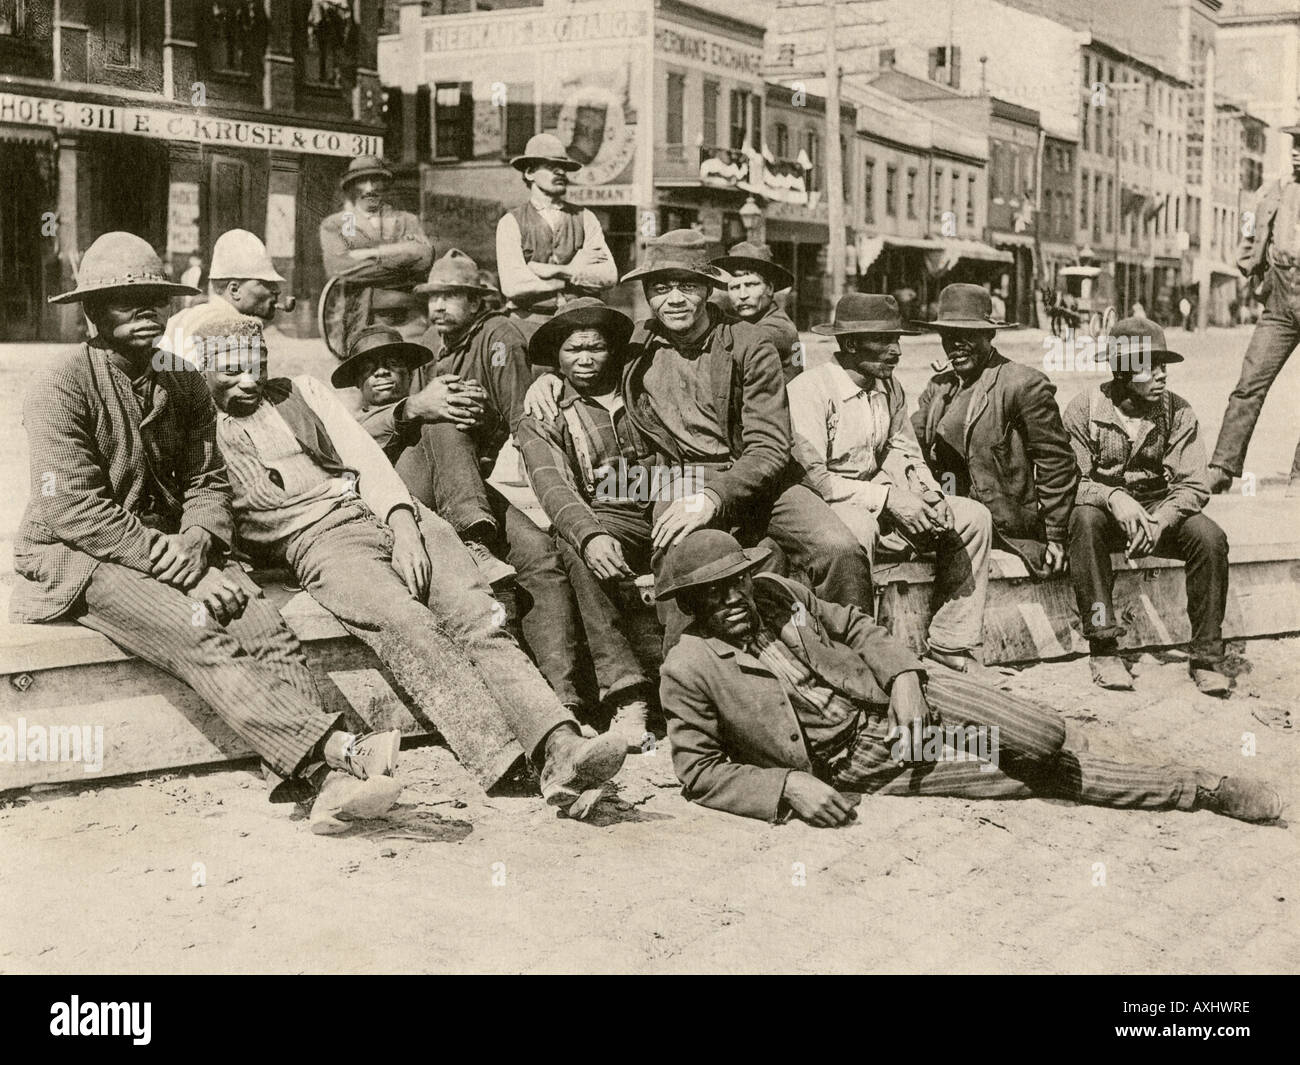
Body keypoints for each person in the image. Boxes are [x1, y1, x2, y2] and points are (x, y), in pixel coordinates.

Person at [11, 231, 403, 835]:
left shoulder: (183, 379)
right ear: (90, 312)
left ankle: (314, 781)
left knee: (262, 624)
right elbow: (70, 509)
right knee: (193, 630)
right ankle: (334, 763)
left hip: (172, 546)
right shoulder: (60, 386)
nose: (145, 312)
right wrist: (187, 570)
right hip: (81, 554)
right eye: (124, 300)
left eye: (154, 299)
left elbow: (209, 481)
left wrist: (198, 541)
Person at [198, 310, 627, 817]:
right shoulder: (197, 427)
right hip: (316, 542)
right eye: (231, 372)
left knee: (478, 617)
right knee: (410, 625)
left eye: (257, 365)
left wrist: (403, 523)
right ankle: (509, 762)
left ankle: (561, 745)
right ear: (201, 369)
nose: (249, 381)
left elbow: (365, 456)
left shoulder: (301, 391)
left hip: (386, 509)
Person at [655, 530, 1281, 827]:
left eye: (734, 580)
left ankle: (1085, 740)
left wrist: (902, 675)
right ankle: (1200, 787)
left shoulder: (776, 591)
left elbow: (858, 629)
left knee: (1042, 733)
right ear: (692, 604)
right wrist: (788, 785)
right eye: (712, 594)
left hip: (908, 691)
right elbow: (701, 772)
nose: (732, 598)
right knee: (1025, 773)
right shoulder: (687, 668)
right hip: (865, 754)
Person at [620, 230, 872, 649]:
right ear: (648, 295)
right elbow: (576, 353)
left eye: (688, 285)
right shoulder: (636, 345)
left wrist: (716, 497)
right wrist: (551, 385)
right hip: (683, 476)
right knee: (674, 545)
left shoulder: (749, 344)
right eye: (661, 288)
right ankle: (685, 674)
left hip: (758, 472)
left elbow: (770, 446)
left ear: (708, 289)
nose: (675, 299)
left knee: (840, 548)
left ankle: (853, 659)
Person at [394, 248, 592, 719]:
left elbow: (521, 417)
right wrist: (428, 405)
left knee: (539, 555)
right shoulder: (425, 345)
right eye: (433, 297)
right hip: (417, 486)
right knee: (443, 420)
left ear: (477, 301)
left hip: (473, 487)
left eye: (452, 296)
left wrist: (550, 490)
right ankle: (473, 538)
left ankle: (563, 699)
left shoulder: (498, 336)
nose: (439, 306)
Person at [790, 294, 992, 671]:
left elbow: (902, 450)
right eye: (884, 341)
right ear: (850, 343)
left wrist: (927, 492)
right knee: (856, 531)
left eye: (897, 340)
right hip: (829, 505)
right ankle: (851, 653)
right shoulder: (810, 391)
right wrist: (888, 500)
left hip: (883, 496)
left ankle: (951, 641)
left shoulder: (889, 386)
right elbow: (813, 478)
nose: (896, 351)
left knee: (972, 518)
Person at [516, 299, 659, 751]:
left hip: (668, 508)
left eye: (595, 348)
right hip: (604, 518)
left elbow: (679, 460)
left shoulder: (643, 390)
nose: (584, 359)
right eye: (573, 350)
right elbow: (553, 484)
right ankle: (627, 695)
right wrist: (591, 533)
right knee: (575, 547)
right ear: (557, 358)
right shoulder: (545, 412)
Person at [1063, 318, 1231, 695]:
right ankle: (1104, 648)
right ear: (1122, 371)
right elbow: (1068, 482)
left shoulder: (1178, 411)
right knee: (1084, 521)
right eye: (1147, 366)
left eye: (1163, 366)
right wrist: (1113, 497)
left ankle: (1206, 657)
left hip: (1157, 505)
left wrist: (1160, 521)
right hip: (1106, 511)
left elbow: (1193, 484)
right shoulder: (1084, 409)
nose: (1160, 376)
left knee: (1210, 538)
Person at [912, 283, 1079, 579]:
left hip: (1005, 528)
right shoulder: (939, 387)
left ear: (990, 334)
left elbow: (1057, 462)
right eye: (948, 336)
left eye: (969, 335)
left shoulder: (1021, 384)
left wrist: (1055, 535)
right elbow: (912, 447)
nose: (956, 345)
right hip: (948, 517)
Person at [1208, 123, 1300, 496]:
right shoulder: (1276, 189)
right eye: (1294, 143)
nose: (1296, 152)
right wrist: (1248, 261)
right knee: (1249, 383)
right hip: (1279, 299)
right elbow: (1250, 227)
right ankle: (1222, 466)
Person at [495, 133, 617, 337]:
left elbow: (609, 276)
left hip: (580, 326)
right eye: (551, 166)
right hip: (527, 325)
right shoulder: (511, 222)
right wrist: (572, 271)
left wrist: (550, 270)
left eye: (564, 167)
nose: (561, 171)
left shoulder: (585, 218)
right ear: (530, 172)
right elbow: (513, 286)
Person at [319, 155, 433, 347]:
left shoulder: (407, 220)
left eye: (376, 180)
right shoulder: (337, 224)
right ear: (352, 187)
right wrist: (402, 255)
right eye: (363, 181)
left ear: (385, 184)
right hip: (358, 320)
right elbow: (338, 270)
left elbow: (424, 258)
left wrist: (368, 254)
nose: (370, 188)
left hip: (410, 322)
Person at [163, 230, 290, 359]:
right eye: (266, 283)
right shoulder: (237, 328)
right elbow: (244, 378)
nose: (277, 290)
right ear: (234, 290)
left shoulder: (178, 319)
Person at [710, 241, 801, 381]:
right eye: (734, 288)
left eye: (751, 285)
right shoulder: (758, 321)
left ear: (769, 288)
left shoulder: (777, 328)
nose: (742, 295)